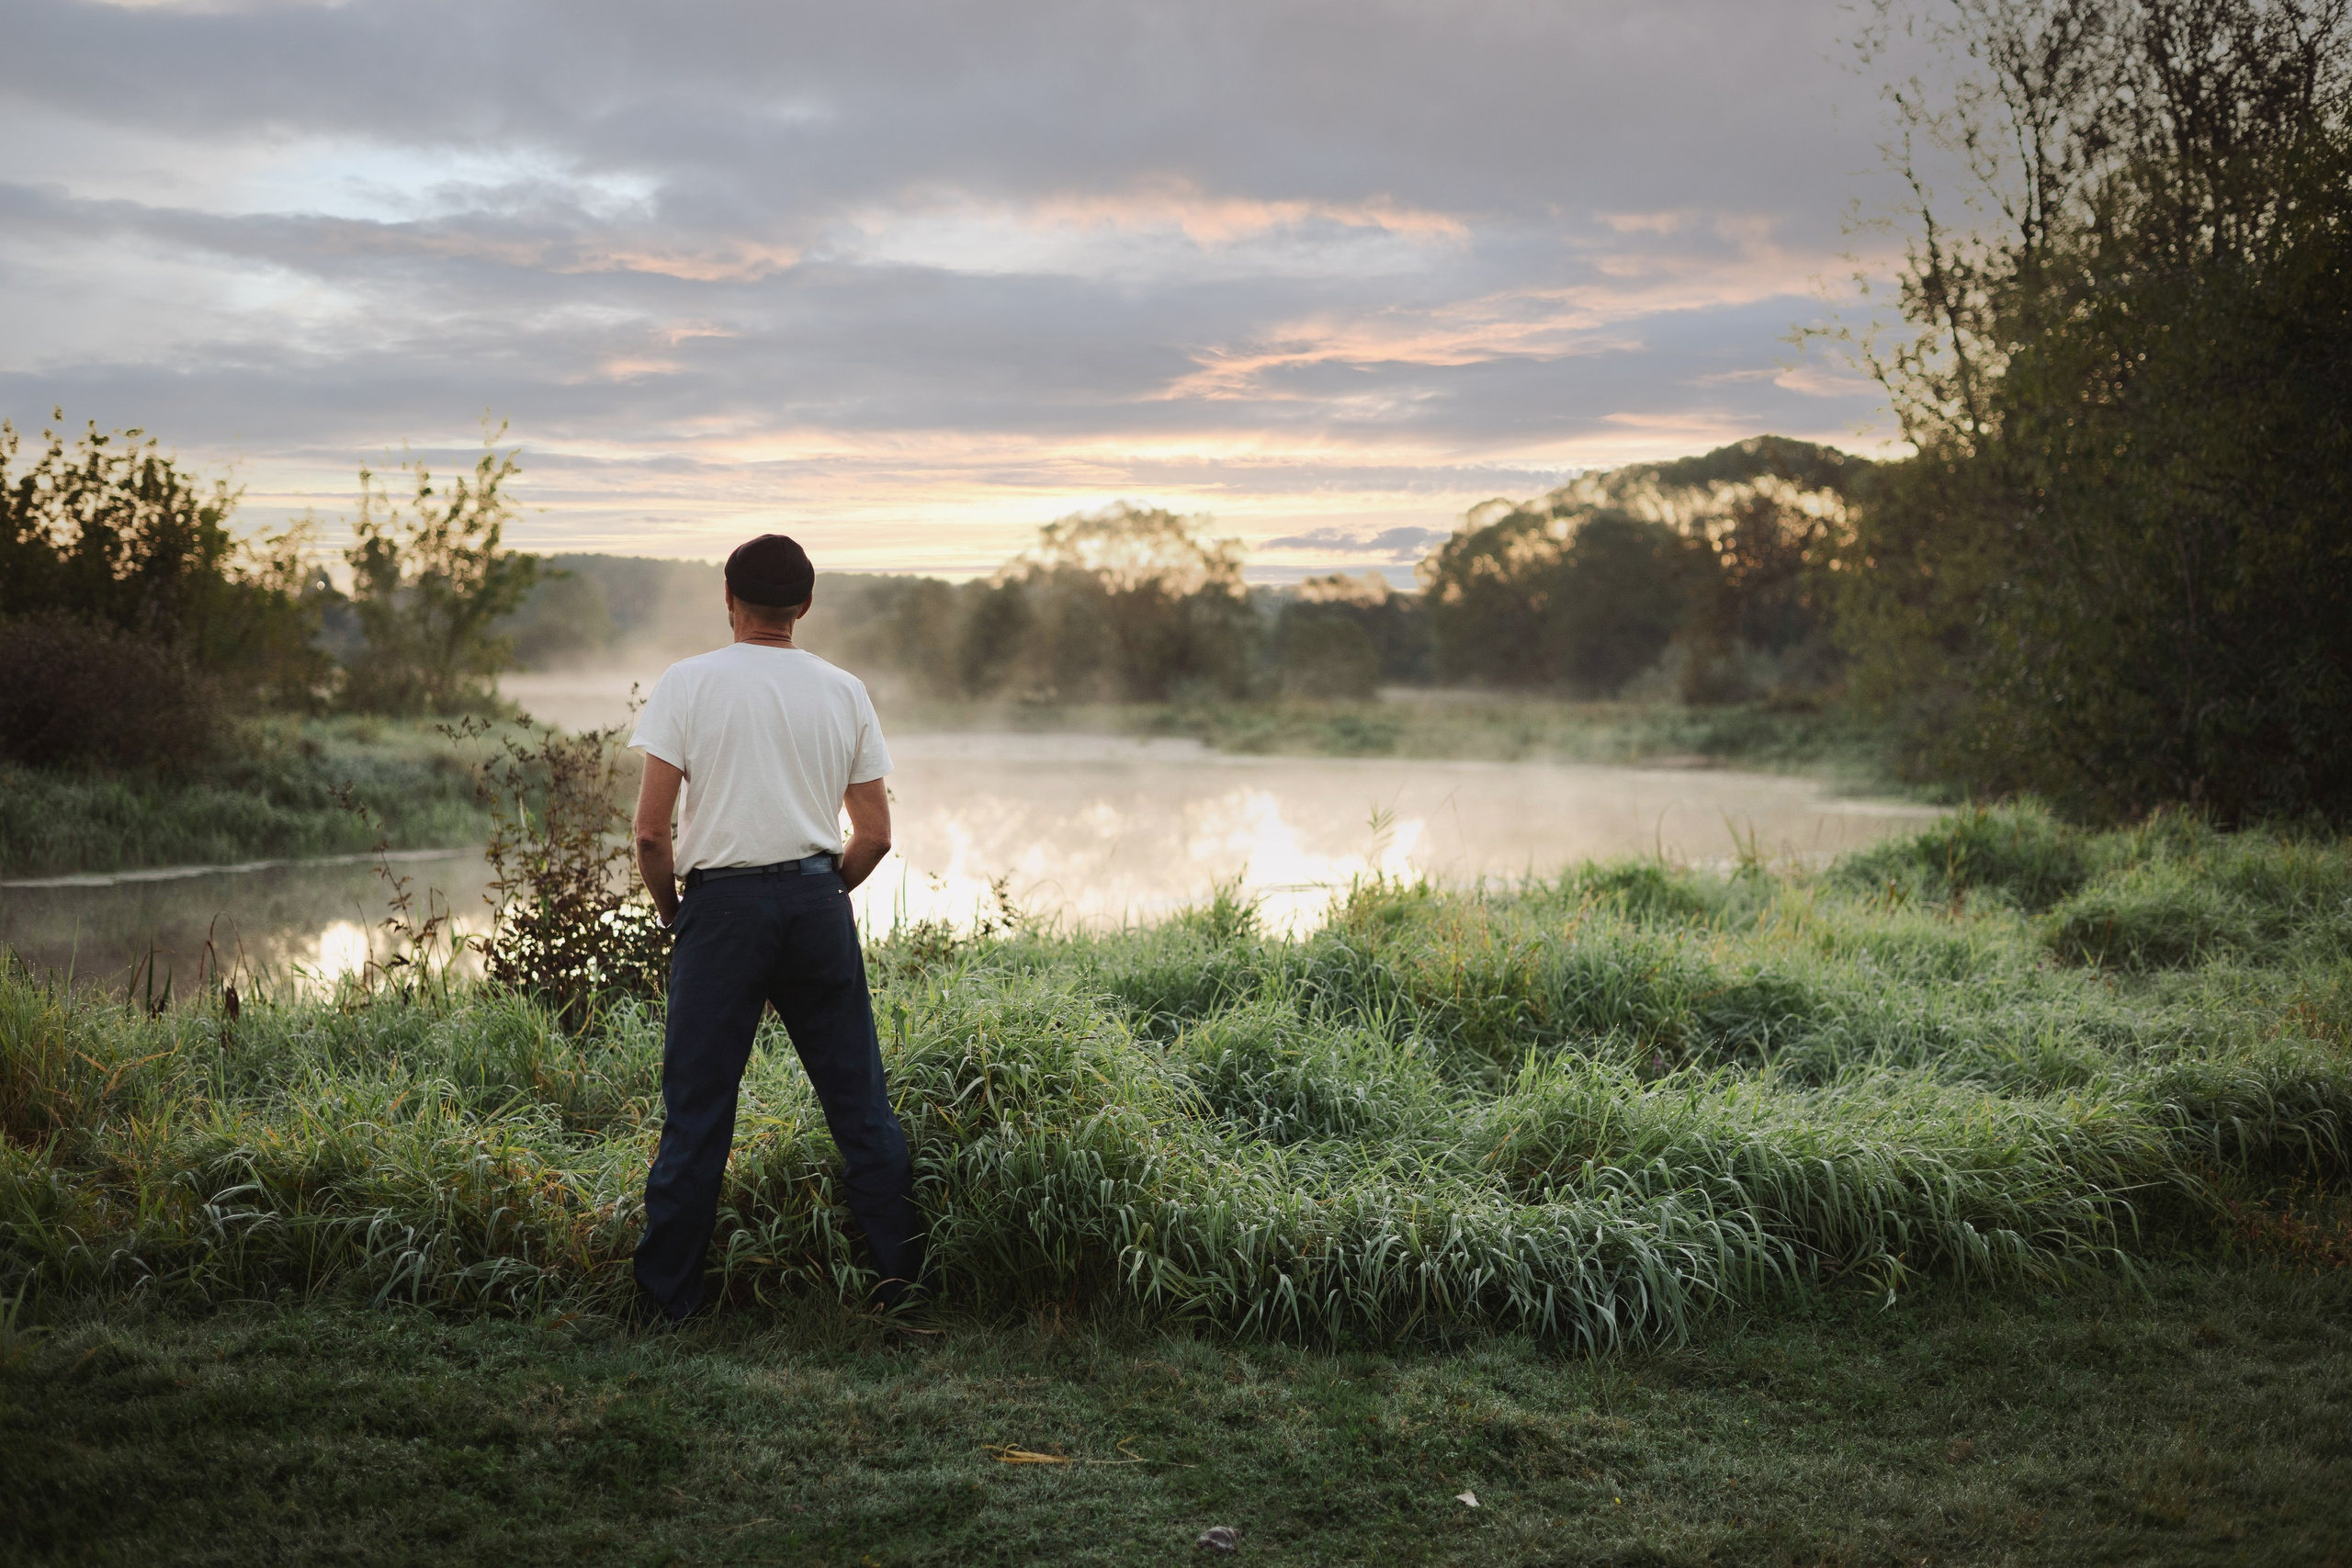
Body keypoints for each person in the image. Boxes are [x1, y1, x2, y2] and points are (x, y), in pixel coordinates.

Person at [625, 533, 920, 1324]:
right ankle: (903, 1286)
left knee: (698, 1111)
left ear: (728, 598)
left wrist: (678, 917)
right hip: (818, 903)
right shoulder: (843, 689)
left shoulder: (688, 684)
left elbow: (652, 835)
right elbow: (876, 833)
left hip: (719, 911)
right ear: (806, 605)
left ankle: (667, 1305)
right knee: (860, 1104)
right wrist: (824, 889)